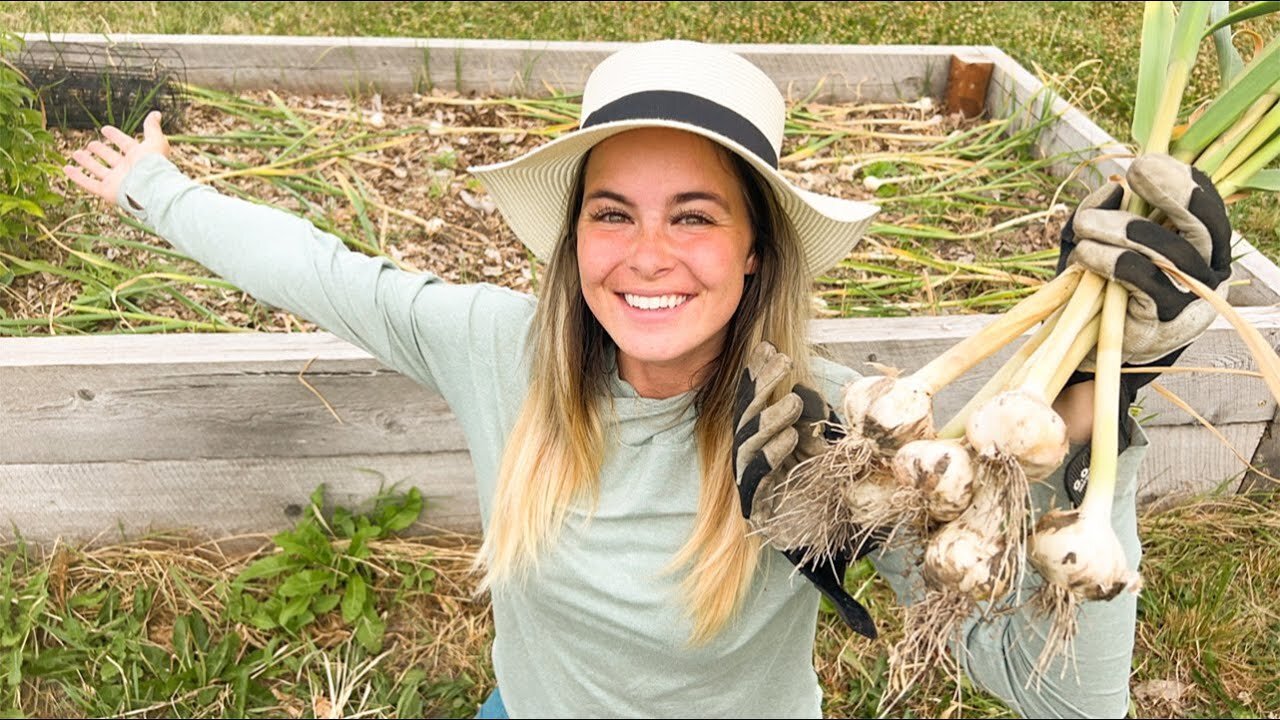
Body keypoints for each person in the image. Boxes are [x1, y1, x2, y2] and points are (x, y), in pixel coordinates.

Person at [63, 40, 1231, 719]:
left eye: (694, 217)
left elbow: (1065, 702)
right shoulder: (496, 349)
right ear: (573, 241)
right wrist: (157, 191)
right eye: (611, 215)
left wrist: (1104, 400)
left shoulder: (823, 435)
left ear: (753, 251)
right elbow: (328, 271)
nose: (647, 257)